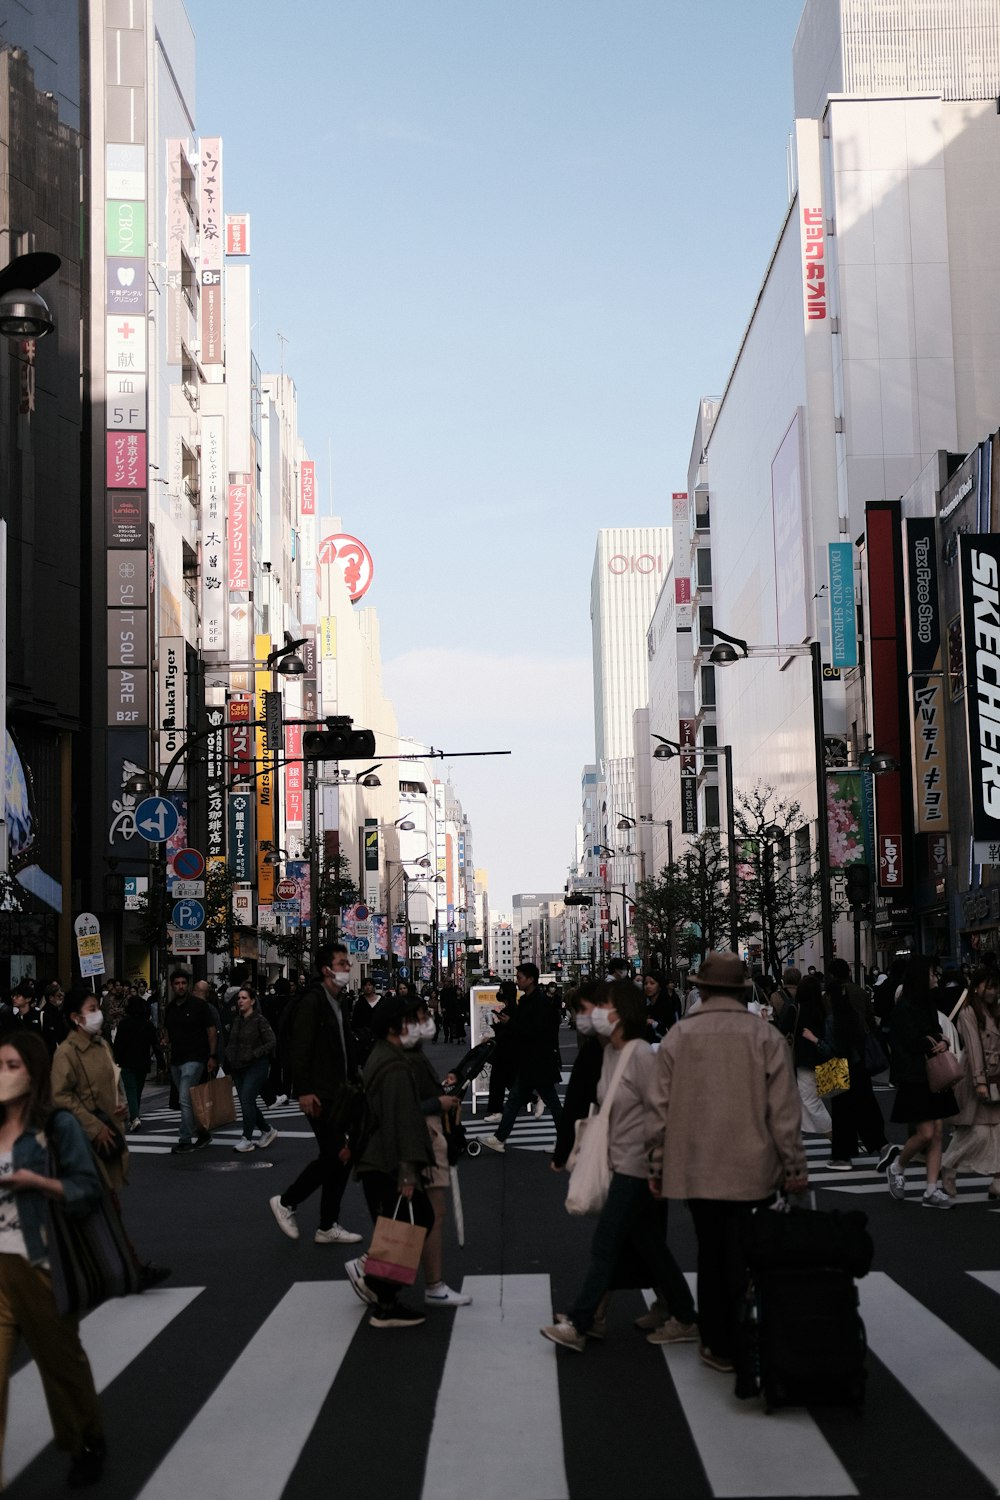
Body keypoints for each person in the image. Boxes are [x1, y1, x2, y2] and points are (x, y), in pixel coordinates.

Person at [646, 952, 807, 1375]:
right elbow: (785, 1110)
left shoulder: (680, 1037)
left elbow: (659, 1111)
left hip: (697, 1167)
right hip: (754, 1166)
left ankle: (718, 1343)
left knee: (711, 1250)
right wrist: (793, 1165)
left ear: (700, 989)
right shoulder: (764, 1036)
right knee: (746, 1250)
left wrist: (657, 1165)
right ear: (741, 991)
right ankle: (749, 1328)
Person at [541, 982, 697, 1353]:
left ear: (623, 1011)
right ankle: (685, 1315)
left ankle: (581, 1322)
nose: (596, 1013)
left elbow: (663, 1109)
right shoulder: (611, 1053)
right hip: (619, 1163)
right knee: (650, 1247)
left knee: (605, 1243)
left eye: (604, 1006)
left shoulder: (641, 1054)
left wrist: (659, 1163)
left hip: (638, 1165)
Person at [0, 1031, 106, 1489]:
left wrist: (38, 1183)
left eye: (12, 1066)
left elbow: (87, 1189)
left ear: (34, 1073)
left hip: (42, 1265)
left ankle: (87, 1437)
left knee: (62, 1369)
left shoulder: (56, 1126)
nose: (1, 1075)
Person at [52, 991, 168, 1290]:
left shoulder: (101, 1043)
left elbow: (111, 1078)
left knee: (100, 1208)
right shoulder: (67, 1053)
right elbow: (60, 1096)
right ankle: (129, 1269)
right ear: (76, 1018)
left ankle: (103, 1269)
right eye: (91, 1009)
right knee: (106, 1206)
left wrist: (118, 1104)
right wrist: (94, 1125)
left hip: (109, 1132)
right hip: (85, 1141)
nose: (97, 1014)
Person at [344, 994, 436, 1328]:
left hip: (375, 1158)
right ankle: (381, 1294)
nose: (418, 1024)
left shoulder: (381, 1055)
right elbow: (402, 1121)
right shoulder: (396, 1065)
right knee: (412, 1220)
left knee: (395, 1225)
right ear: (396, 1025)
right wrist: (409, 1172)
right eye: (413, 1018)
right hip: (386, 1161)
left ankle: (383, 1294)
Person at [269, 942, 363, 1246]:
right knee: (337, 1153)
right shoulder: (313, 1001)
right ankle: (287, 1202)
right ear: (326, 969)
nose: (347, 967)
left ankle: (327, 1224)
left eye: (347, 962)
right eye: (342, 963)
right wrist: (305, 1090)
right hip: (320, 1092)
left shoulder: (337, 1001)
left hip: (339, 1091)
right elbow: (300, 1048)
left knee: (341, 1157)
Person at [402, 1002, 470, 1308]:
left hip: (422, 1138)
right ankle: (374, 1272)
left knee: (419, 1213)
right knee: (427, 1213)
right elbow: (402, 1108)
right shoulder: (403, 1059)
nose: (427, 1023)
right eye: (421, 1019)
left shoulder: (409, 1055)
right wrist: (438, 1104)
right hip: (421, 1138)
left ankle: (377, 1273)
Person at [884, 955, 958, 1208]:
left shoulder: (926, 1003)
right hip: (916, 1076)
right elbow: (910, 1041)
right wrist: (934, 1042)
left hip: (931, 1073)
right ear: (920, 976)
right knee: (926, 1132)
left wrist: (942, 1041)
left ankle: (930, 1189)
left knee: (937, 1133)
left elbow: (935, 1030)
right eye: (931, 973)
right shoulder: (903, 1008)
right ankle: (898, 1166)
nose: (935, 977)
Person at [482, 963, 563, 1152]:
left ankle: (566, 1141)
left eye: (520, 977)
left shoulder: (539, 1002)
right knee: (516, 1099)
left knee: (550, 1102)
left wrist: (511, 1023)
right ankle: (499, 1138)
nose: (517, 981)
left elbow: (535, 1031)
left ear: (531, 979)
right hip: (530, 1059)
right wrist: (509, 1024)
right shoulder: (527, 1000)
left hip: (538, 1058)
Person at [820, 962, 889, 1171]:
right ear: (848, 973)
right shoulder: (860, 992)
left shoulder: (828, 999)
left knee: (841, 1110)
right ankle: (881, 1145)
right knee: (865, 1103)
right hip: (859, 1055)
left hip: (836, 1059)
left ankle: (843, 1155)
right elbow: (871, 1019)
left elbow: (826, 1031)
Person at [940, 966, 1000, 1199]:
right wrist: (979, 1081)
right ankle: (949, 1166)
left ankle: (997, 1179)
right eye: (991, 986)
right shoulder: (969, 1012)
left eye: (997, 987)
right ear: (978, 986)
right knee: (977, 1133)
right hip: (977, 1078)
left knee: (997, 1132)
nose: (994, 991)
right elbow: (974, 1049)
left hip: (996, 1077)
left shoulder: (996, 1010)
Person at [163, 968, 218, 1153]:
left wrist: (212, 1055)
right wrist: (165, 1042)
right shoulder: (170, 1008)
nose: (180, 986)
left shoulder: (199, 1005)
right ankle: (203, 1134)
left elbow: (211, 1031)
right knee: (189, 1101)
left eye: (183, 983)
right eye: (177, 983)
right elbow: (167, 1032)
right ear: (172, 986)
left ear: (188, 985)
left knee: (184, 1099)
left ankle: (185, 1139)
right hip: (177, 1058)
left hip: (196, 1057)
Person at [224, 986, 278, 1152]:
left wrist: (255, 1053)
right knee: (246, 1102)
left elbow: (271, 1041)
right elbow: (231, 1043)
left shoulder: (259, 1020)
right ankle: (267, 1130)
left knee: (247, 1099)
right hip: (238, 1067)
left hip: (256, 1065)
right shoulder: (236, 1021)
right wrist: (229, 1059)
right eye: (239, 998)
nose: (240, 1001)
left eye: (244, 998)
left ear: (253, 1001)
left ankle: (246, 1138)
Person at [789, 972, 833, 1143]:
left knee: (809, 1100)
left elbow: (784, 1027)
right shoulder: (824, 1008)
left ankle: (836, 1139)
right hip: (826, 1059)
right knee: (826, 1099)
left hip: (805, 1061)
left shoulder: (798, 1009)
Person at [112, 992, 165, 1129]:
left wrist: (115, 1060)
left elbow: (118, 1044)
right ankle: (135, 1116)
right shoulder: (148, 1025)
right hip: (142, 1061)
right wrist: (161, 1062)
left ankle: (134, 1117)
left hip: (126, 1061)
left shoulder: (124, 1024)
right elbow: (156, 1045)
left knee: (130, 1089)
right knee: (138, 1090)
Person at [351, 976, 383, 1067]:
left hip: (379, 1036)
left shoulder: (381, 1001)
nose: (367, 987)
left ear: (373, 987)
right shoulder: (359, 1003)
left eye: (370, 985)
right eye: (365, 985)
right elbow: (355, 1021)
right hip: (363, 1038)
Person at [642, 969, 680, 1042]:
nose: (648, 986)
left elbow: (674, 1032)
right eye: (645, 983)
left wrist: (653, 1023)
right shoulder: (644, 1006)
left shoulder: (669, 1006)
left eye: (652, 983)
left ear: (659, 986)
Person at [39, 981, 68, 1058]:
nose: (61, 997)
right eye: (58, 995)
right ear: (51, 998)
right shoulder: (46, 1013)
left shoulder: (58, 1010)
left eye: (62, 995)